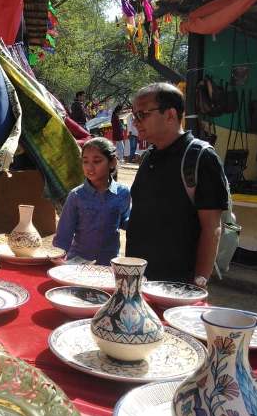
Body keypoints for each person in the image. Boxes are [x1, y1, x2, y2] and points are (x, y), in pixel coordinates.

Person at [126, 83, 229, 286]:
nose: (135, 122)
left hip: (177, 286)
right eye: (134, 115)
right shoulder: (148, 157)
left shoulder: (201, 158)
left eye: (142, 115)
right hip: (139, 281)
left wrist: (198, 284)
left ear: (170, 115)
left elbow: (212, 228)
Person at [53, 137, 131, 265]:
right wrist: (58, 260)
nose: (90, 167)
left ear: (112, 162)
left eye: (97, 161)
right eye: (85, 161)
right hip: (78, 264)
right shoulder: (76, 196)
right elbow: (63, 234)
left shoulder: (123, 193)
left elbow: (125, 221)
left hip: (108, 266)